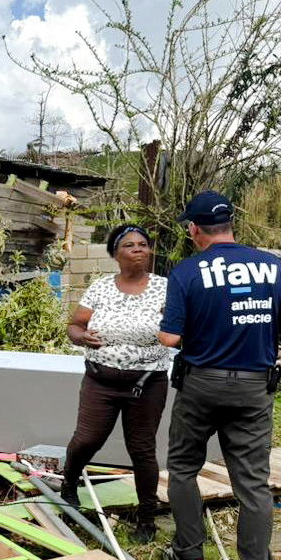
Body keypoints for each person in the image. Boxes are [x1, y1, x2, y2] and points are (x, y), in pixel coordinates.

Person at [158, 191, 281, 560]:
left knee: (183, 468)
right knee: (252, 484)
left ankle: (190, 557)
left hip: (201, 384)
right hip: (254, 386)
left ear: (194, 229)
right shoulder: (273, 266)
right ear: (231, 224)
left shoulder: (187, 272)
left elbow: (170, 338)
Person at [61, 223, 170, 543]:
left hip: (147, 383)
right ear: (115, 254)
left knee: (142, 449)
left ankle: (146, 517)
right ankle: (69, 486)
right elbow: (74, 326)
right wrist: (82, 337)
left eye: (142, 244)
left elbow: (181, 329)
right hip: (101, 381)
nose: (137, 249)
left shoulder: (166, 288)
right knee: (87, 440)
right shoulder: (100, 287)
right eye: (129, 245)